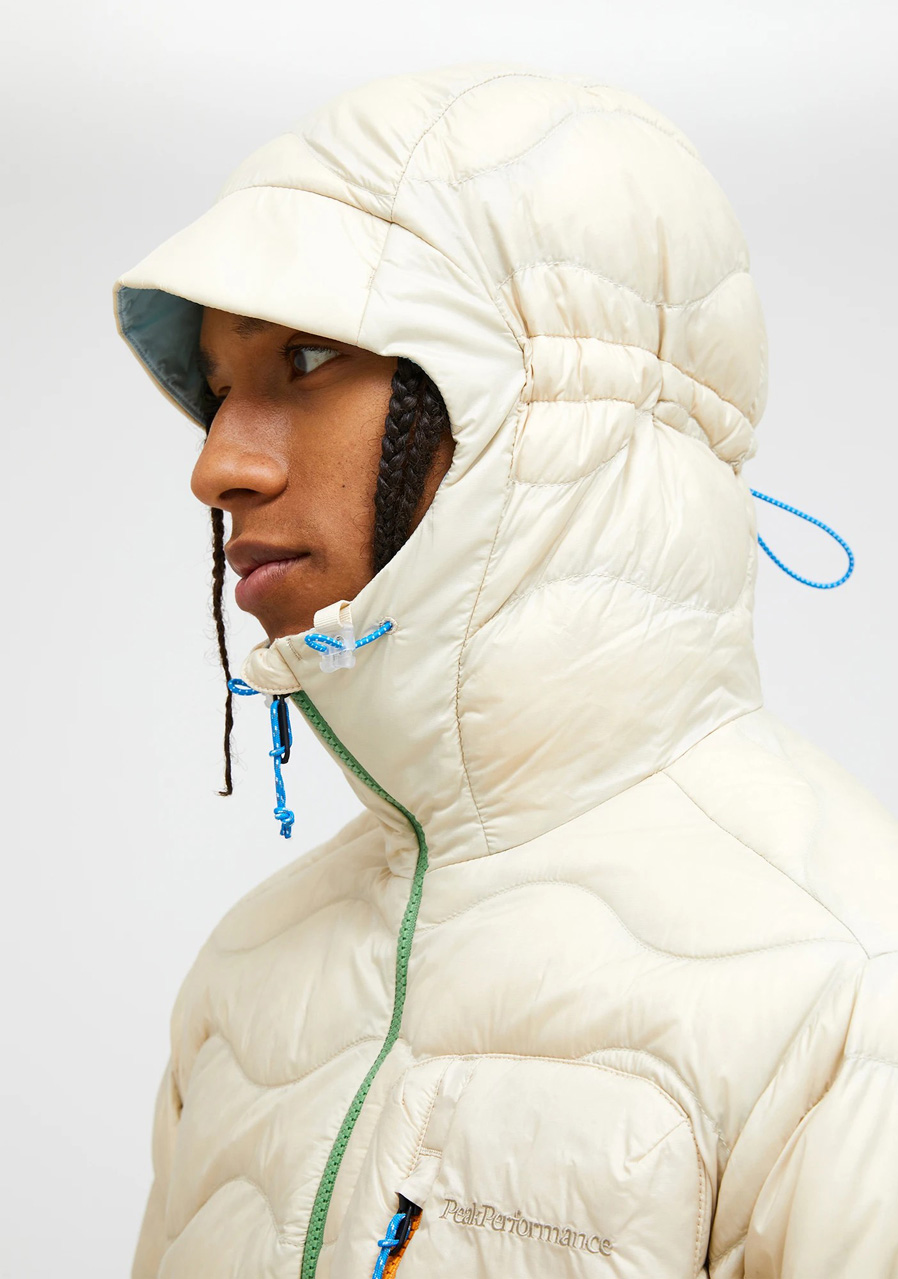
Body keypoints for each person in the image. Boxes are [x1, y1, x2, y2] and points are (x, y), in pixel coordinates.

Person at [113, 60, 898, 1279]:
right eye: (218, 392)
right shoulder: (246, 974)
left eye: (305, 360)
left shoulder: (848, 986)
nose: (218, 466)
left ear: (537, 413)